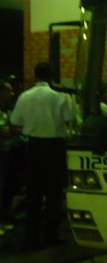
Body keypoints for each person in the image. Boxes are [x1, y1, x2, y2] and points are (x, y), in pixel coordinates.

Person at [10, 63, 74, 249]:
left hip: (34, 147)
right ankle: (51, 235)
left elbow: (15, 121)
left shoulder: (25, 96)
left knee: (33, 193)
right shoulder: (60, 96)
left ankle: (31, 237)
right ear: (51, 76)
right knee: (54, 193)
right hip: (55, 147)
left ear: (35, 75)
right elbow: (69, 119)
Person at [0, 79, 15, 226]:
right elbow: (4, 131)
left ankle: (5, 215)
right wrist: (12, 129)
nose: (12, 93)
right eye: (8, 90)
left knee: (7, 186)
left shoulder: (8, 109)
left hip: (8, 152)